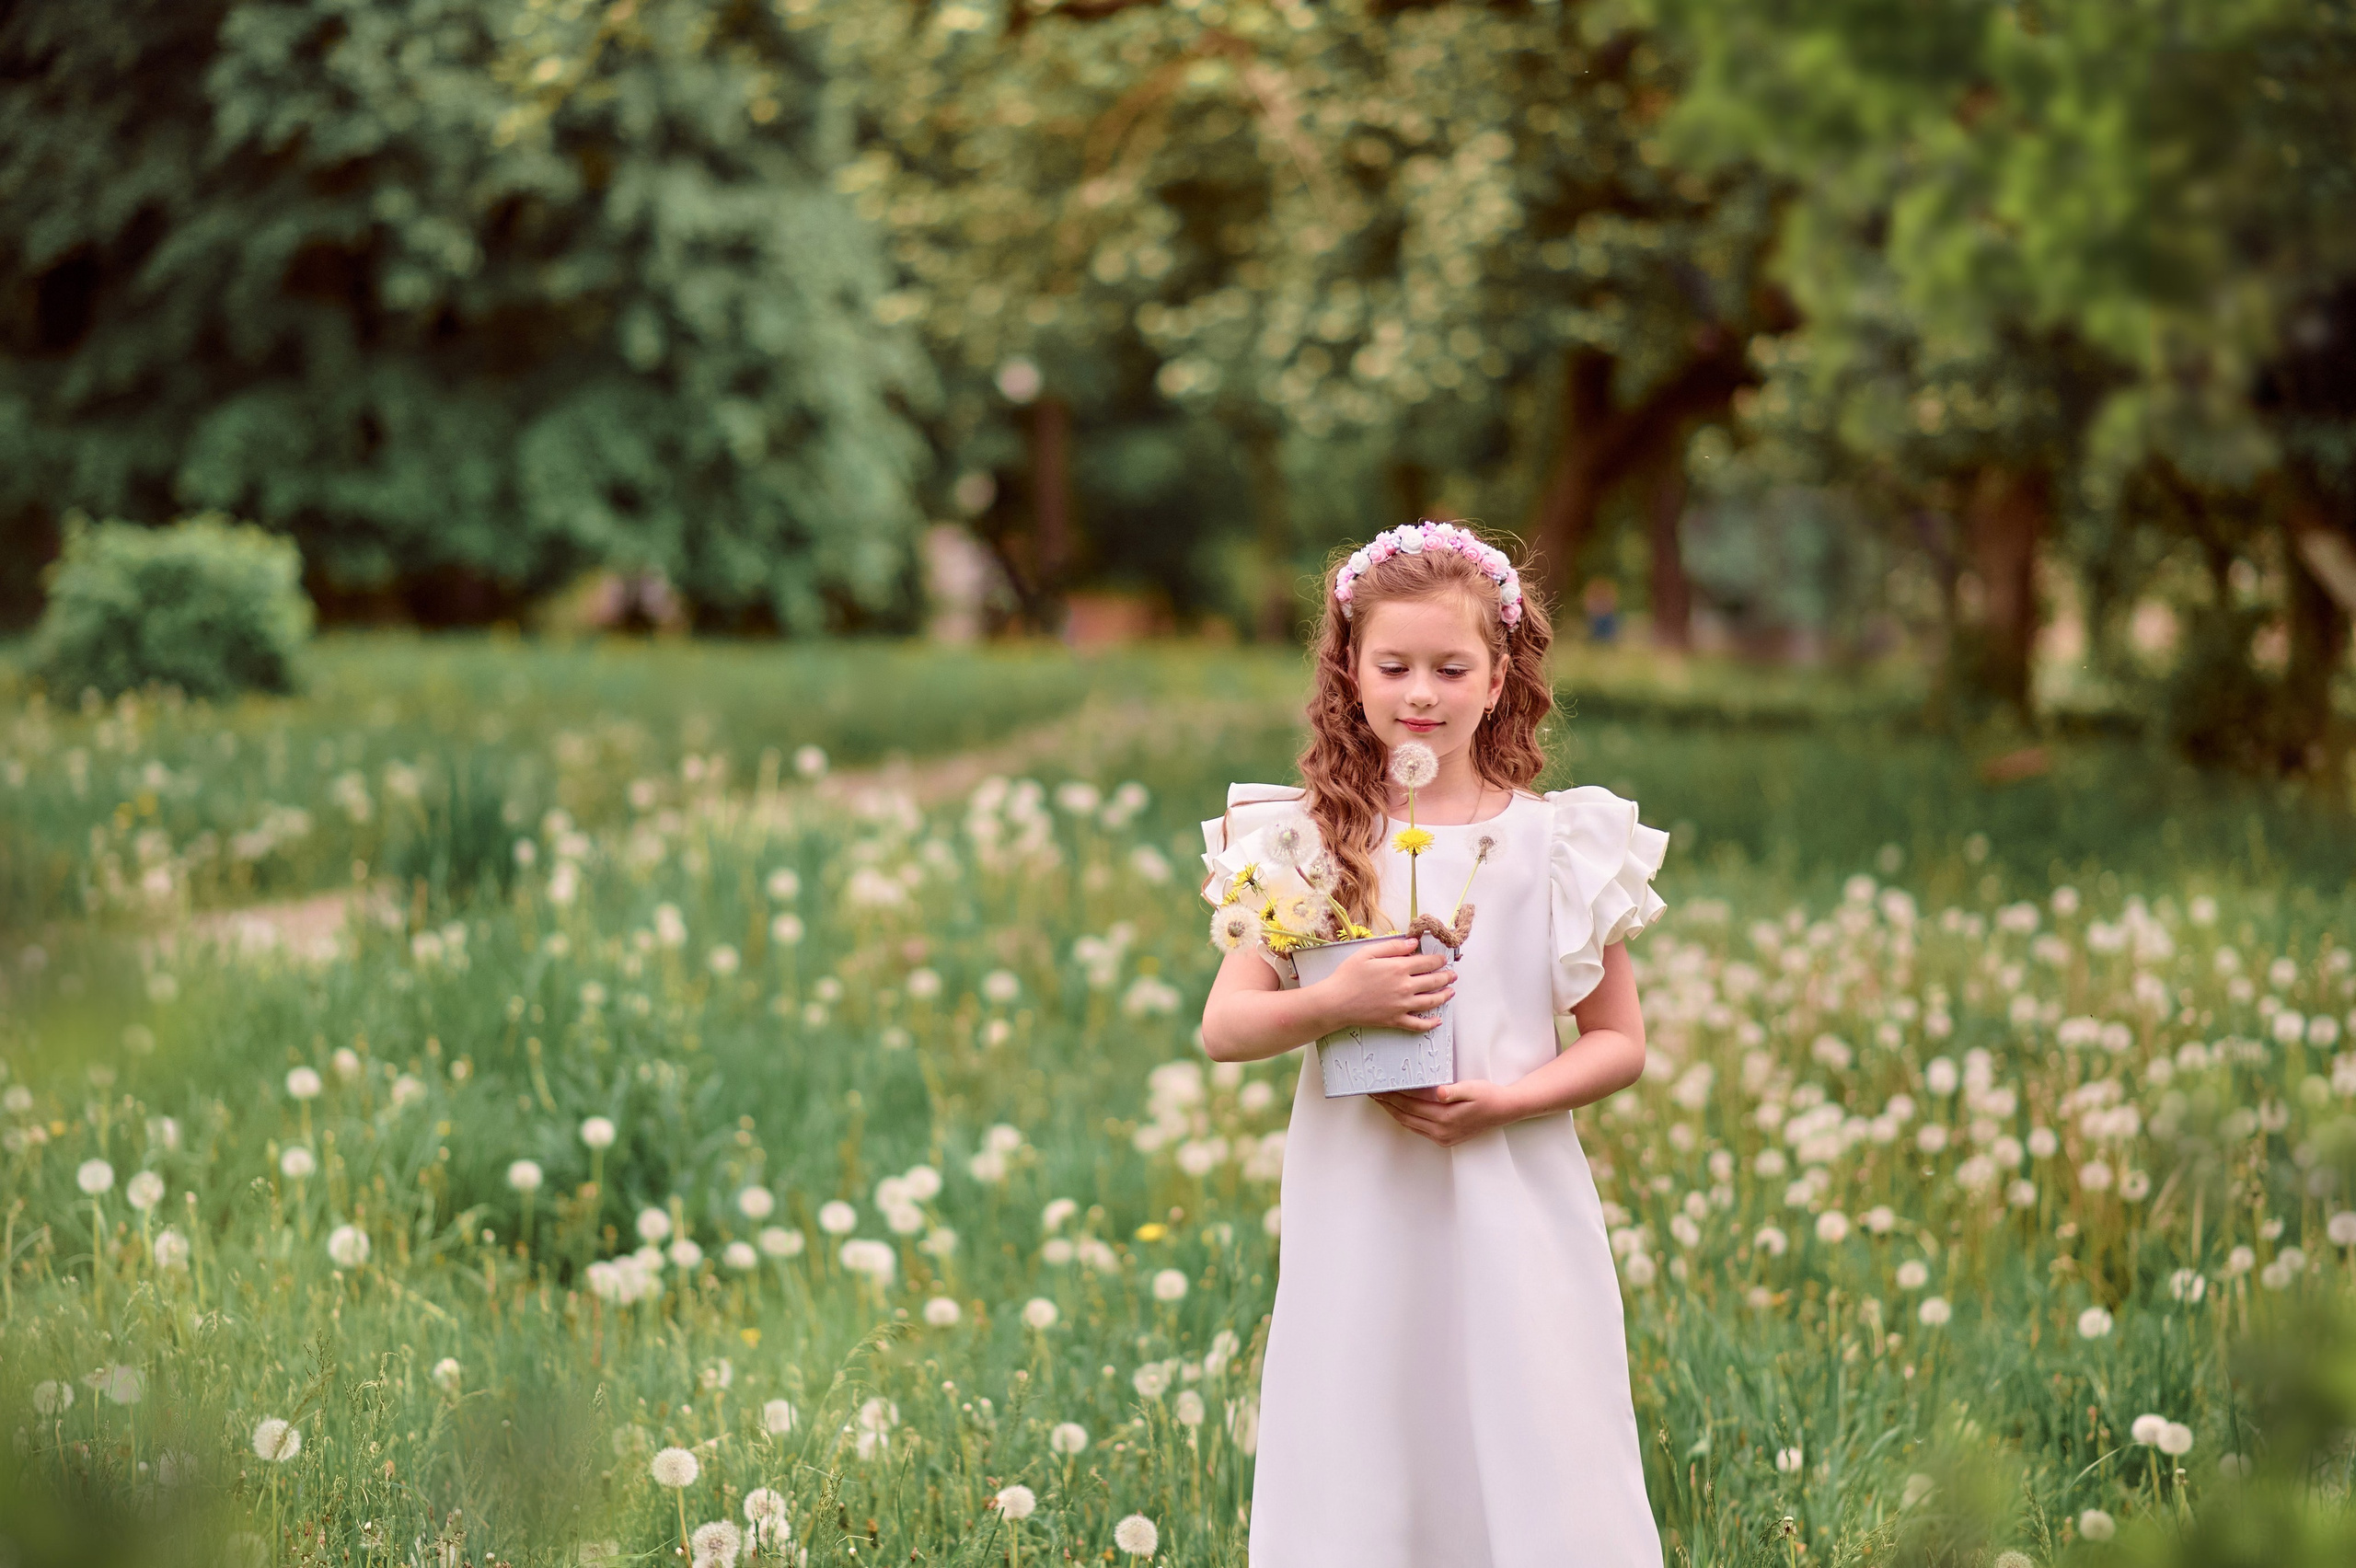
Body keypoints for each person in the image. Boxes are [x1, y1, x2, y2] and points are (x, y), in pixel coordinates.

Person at [1197, 521, 1669, 1567]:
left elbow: (1618, 1043)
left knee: (1531, 1411)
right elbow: (1225, 1026)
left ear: (1499, 678)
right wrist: (1334, 999)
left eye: (1451, 668)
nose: (1422, 692)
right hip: (1359, 1195)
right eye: (1394, 665)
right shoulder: (1306, 841)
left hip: (1513, 1186)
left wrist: (1509, 1099)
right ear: (1349, 672)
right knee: (1368, 1419)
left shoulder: (1554, 845)